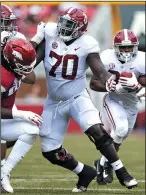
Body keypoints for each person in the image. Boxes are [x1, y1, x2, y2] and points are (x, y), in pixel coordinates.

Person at [31, 8, 137, 192]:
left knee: (97, 130)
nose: (63, 27)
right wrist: (36, 39)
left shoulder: (87, 43)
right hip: (54, 101)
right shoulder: (49, 31)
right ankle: (84, 172)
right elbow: (31, 61)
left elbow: (101, 72)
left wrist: (112, 83)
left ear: (79, 28)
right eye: (62, 22)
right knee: (50, 151)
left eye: (69, 24)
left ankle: (122, 172)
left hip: (77, 97)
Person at [90, 29, 145, 185]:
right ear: (115, 47)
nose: (126, 51)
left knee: (119, 137)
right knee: (119, 129)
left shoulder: (142, 59)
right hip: (113, 99)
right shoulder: (106, 57)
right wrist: (111, 87)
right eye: (123, 47)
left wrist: (139, 87)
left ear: (135, 46)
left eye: (129, 47)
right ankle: (109, 167)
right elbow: (93, 83)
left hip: (132, 102)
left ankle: (102, 163)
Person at [1, 5, 43, 193]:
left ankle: (4, 173)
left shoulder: (13, 45)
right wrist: (21, 114)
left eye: (9, 24)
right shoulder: (3, 77)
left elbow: (31, 76)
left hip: (5, 107)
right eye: (4, 24)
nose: (7, 29)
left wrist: (36, 40)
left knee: (30, 130)